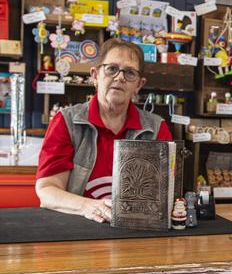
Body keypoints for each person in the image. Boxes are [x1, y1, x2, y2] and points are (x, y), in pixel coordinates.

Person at [36, 39, 172, 224]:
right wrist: (88, 206)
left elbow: (165, 193)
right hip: (76, 230)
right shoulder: (66, 121)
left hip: (135, 231)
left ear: (139, 85)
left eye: (130, 72)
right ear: (95, 75)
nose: (119, 77)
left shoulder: (156, 128)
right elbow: (47, 190)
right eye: (111, 68)